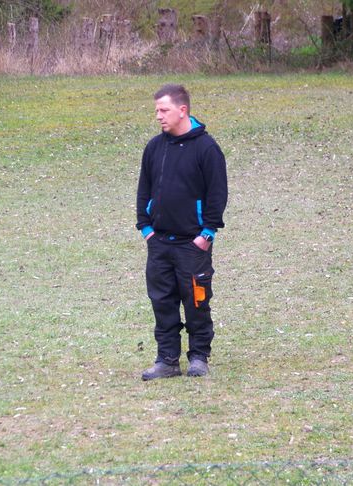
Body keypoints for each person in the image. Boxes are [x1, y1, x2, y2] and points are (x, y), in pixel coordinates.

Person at [136, 84, 228, 381]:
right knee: (162, 302)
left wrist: (207, 234)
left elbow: (217, 194)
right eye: (157, 111)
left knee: (197, 301)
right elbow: (144, 190)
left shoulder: (207, 148)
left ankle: (199, 357)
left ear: (182, 110)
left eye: (164, 110)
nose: (159, 116)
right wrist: (146, 228)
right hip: (159, 243)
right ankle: (167, 360)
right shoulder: (154, 147)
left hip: (193, 245)